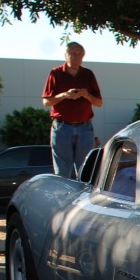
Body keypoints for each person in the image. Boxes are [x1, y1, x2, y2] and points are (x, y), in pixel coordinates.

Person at [42, 42, 102, 178]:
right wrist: (65, 95)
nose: (77, 57)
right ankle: (63, 192)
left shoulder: (88, 74)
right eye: (73, 54)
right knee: (62, 171)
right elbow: (46, 101)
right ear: (66, 55)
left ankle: (84, 192)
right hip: (62, 127)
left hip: (85, 127)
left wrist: (86, 95)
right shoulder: (55, 73)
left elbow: (99, 102)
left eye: (80, 54)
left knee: (86, 171)